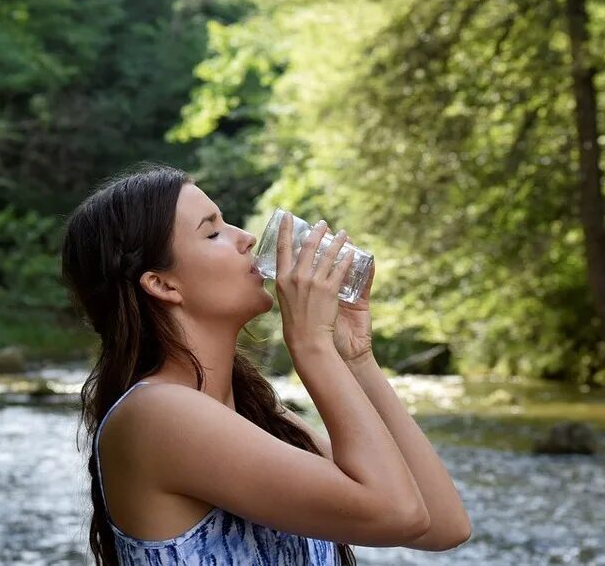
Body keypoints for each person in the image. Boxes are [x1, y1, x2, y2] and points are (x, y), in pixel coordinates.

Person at [60, 163, 471, 565]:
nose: (247, 238)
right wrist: (311, 345)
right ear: (163, 284)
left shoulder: (260, 417)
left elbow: (442, 525)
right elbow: (399, 514)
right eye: (214, 231)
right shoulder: (157, 414)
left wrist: (356, 358)